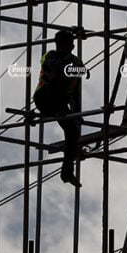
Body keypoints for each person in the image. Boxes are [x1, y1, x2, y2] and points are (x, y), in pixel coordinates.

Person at [33, 29, 84, 185]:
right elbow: (55, 68)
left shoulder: (76, 62)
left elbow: (75, 91)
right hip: (45, 98)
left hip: (60, 104)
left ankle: (67, 172)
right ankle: (59, 111)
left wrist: (76, 113)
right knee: (61, 77)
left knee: (73, 132)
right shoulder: (50, 56)